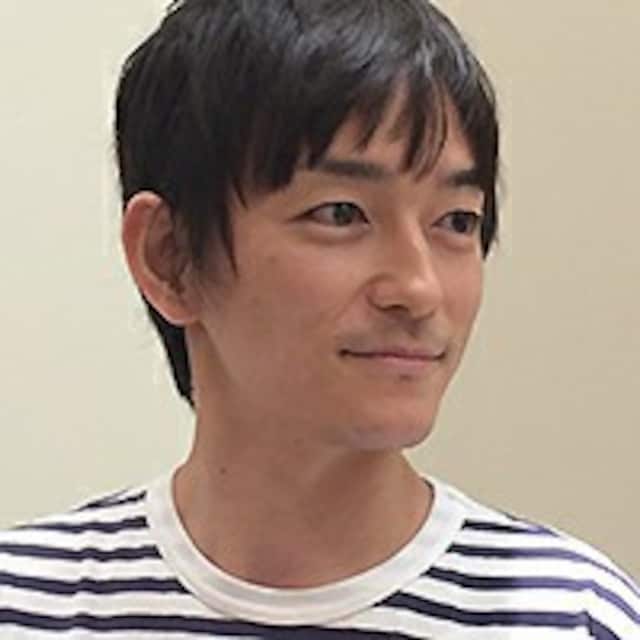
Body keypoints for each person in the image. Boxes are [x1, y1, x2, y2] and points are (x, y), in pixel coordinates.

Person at [1, 0, 638, 637]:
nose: (417, 289)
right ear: (170, 257)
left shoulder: (570, 617)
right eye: (340, 213)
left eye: (456, 221)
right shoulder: (27, 606)